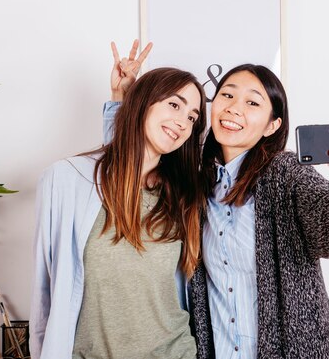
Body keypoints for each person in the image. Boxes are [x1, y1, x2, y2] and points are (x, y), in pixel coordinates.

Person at [105, 55, 329, 359]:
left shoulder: (286, 174)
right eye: (228, 95)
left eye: (253, 103)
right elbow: (129, 176)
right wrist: (123, 102)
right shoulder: (196, 183)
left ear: (272, 126)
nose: (234, 107)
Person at [30, 41, 207, 359]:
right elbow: (44, 291)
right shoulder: (67, 181)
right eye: (174, 105)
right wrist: (121, 99)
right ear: (143, 103)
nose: (183, 122)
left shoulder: (182, 194)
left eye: (193, 117)